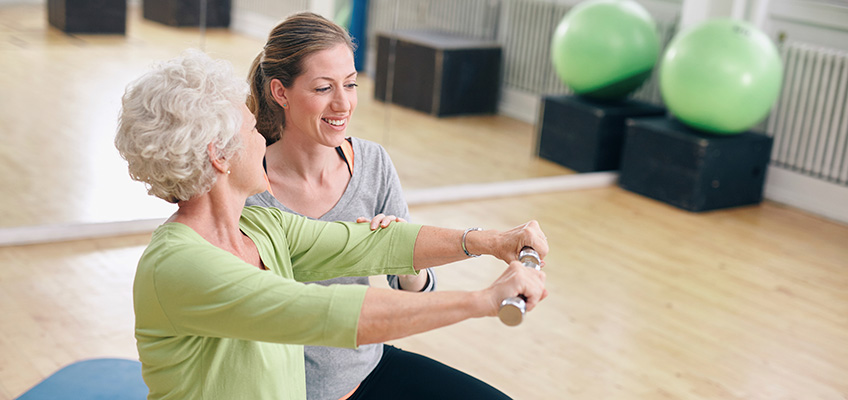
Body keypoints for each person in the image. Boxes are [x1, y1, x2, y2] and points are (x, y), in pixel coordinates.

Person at [115, 49, 548, 400]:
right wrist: (484, 300)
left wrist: (494, 241)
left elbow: (370, 243)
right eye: (251, 129)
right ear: (218, 154)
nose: (263, 137)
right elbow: (326, 314)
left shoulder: (262, 227)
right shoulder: (180, 266)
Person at [244, 12, 511, 400]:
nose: (343, 103)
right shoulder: (247, 187)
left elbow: (412, 295)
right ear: (280, 92)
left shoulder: (372, 163)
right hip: (286, 389)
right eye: (323, 88)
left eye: (350, 84)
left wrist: (401, 255)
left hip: (365, 368)